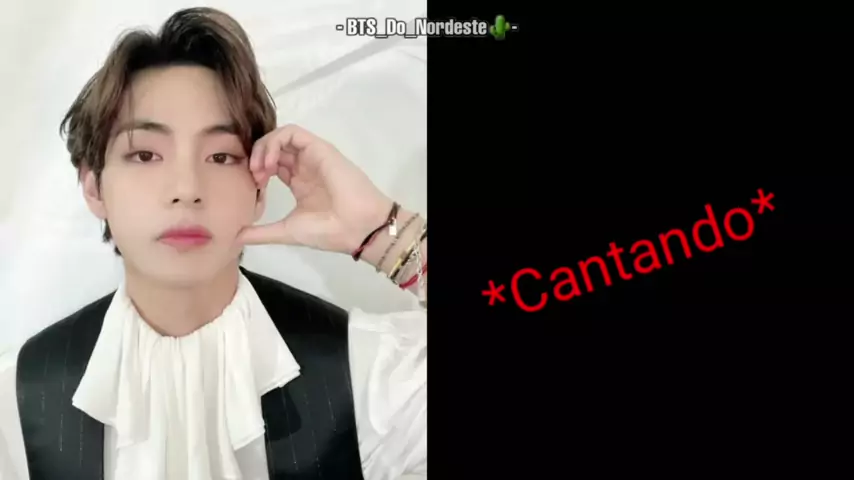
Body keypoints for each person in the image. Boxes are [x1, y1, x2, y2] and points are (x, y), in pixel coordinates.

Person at [0, 7, 426, 480]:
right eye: (145, 154)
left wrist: (384, 231)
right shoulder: (17, 400)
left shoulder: (364, 371)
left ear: (259, 190)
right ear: (94, 186)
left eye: (221, 156)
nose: (187, 188)